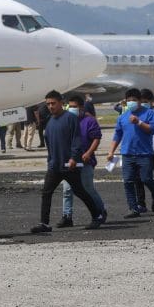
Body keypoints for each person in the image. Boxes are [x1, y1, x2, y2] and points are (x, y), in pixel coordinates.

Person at [31, 91, 103, 232]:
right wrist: (50, 160)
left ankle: (97, 216)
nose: (50, 106)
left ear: (61, 103)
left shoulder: (70, 118)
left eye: (53, 103)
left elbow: (76, 140)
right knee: (46, 192)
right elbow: (49, 145)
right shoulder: (50, 122)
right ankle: (44, 224)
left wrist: (73, 158)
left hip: (69, 165)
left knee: (80, 191)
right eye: (48, 104)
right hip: (54, 166)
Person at [106, 88, 154, 217]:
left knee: (146, 179)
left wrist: (139, 122)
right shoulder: (122, 117)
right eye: (129, 100)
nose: (131, 102)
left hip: (144, 154)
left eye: (134, 100)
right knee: (128, 181)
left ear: (139, 101)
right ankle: (133, 208)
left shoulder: (148, 113)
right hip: (127, 154)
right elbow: (117, 135)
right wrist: (111, 151)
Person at [57, 94, 107, 227]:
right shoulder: (66, 120)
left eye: (75, 107)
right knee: (67, 190)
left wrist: (89, 153)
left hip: (85, 161)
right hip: (70, 161)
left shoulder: (89, 121)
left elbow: (96, 138)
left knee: (88, 189)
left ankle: (100, 211)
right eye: (70, 106)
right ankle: (67, 216)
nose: (72, 109)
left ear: (81, 108)